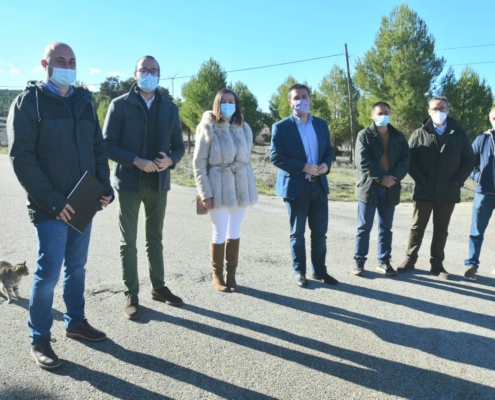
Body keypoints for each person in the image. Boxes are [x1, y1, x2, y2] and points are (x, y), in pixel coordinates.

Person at [7, 42, 113, 370]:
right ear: (45, 64)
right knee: (48, 272)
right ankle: (39, 338)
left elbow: (97, 147)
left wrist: (104, 185)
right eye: (60, 60)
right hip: (50, 207)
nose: (67, 65)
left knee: (77, 267)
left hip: (83, 202)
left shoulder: (83, 100)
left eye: (72, 61)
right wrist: (52, 201)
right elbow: (22, 158)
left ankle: (75, 322)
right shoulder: (28, 103)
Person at [103, 55, 185, 319]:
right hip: (129, 182)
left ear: (159, 75)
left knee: (155, 239)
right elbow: (107, 144)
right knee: (128, 241)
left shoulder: (169, 108)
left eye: (154, 70)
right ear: (135, 73)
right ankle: (131, 293)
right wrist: (135, 160)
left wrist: (171, 160)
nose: (149, 74)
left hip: (158, 183)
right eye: (144, 70)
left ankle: (159, 287)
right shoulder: (120, 105)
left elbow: (180, 146)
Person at [397, 96, 475, 279]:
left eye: (442, 109)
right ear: (428, 111)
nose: (438, 112)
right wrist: (421, 179)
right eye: (434, 109)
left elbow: (469, 160)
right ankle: (410, 259)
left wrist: (457, 181)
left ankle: (437, 264)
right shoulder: (419, 133)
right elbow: (410, 159)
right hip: (424, 190)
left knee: (441, 229)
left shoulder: (459, 133)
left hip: (448, 191)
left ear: (448, 110)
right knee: (417, 228)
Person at [270, 83, 338, 288]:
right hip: (296, 187)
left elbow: (328, 150)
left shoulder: (321, 124)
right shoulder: (281, 127)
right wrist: (303, 167)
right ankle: (300, 272)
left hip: (318, 186)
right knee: (297, 233)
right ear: (290, 102)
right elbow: (276, 157)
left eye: (305, 96)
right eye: (297, 97)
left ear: (310, 99)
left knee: (320, 233)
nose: (301, 100)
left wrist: (327, 164)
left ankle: (320, 271)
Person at [193, 89, 258, 292]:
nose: (228, 105)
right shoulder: (207, 127)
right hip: (217, 185)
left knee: (235, 231)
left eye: (232, 101)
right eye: (224, 101)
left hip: (241, 185)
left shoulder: (245, 127)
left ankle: (232, 275)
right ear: (217, 104)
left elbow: (247, 160)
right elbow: (199, 163)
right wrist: (205, 193)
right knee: (219, 231)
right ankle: (217, 275)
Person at [353, 101, 410, 277]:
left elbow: (405, 160)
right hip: (369, 187)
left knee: (386, 228)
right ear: (372, 115)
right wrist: (381, 177)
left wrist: (392, 178)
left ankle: (384, 261)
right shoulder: (365, 135)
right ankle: (359, 262)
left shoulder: (399, 137)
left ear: (390, 113)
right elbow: (362, 161)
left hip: (390, 188)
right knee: (364, 227)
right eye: (379, 113)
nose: (382, 116)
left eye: (386, 112)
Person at [463, 107, 495, 280]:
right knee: (477, 231)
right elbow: (470, 163)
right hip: (485, 193)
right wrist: (479, 177)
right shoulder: (483, 139)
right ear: (490, 119)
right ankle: (471, 265)